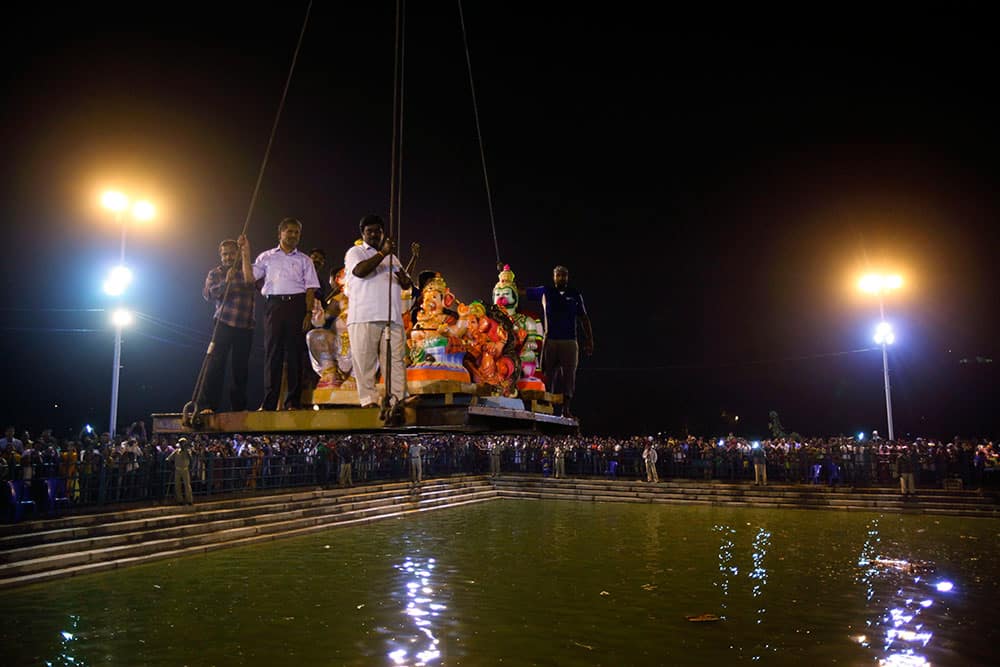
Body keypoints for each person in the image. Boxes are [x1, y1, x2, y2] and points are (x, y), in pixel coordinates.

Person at [240, 218, 320, 410]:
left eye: (297, 233)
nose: (293, 235)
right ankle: (269, 402)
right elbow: (249, 278)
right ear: (280, 233)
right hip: (274, 306)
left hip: (297, 305)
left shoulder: (304, 260)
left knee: (294, 354)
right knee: (272, 353)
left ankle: (293, 401)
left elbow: (310, 289)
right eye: (289, 231)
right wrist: (245, 253)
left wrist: (308, 313)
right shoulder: (266, 257)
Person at [343, 215, 415, 417]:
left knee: (395, 362)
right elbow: (360, 271)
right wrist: (383, 253)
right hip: (364, 315)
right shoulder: (355, 252)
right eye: (370, 231)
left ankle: (397, 399)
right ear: (363, 234)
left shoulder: (393, 258)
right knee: (365, 361)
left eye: (378, 231)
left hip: (391, 317)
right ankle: (368, 400)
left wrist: (404, 280)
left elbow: (407, 283)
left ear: (383, 233)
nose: (374, 234)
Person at [523, 265, 594, 419]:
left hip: (569, 341)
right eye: (558, 275)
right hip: (551, 340)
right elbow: (523, 291)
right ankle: (546, 406)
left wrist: (589, 340)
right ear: (554, 277)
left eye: (564, 275)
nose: (561, 278)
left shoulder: (575, 294)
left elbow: (584, 318)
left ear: (567, 277)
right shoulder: (546, 291)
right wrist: (505, 280)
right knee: (549, 374)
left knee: (569, 376)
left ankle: (566, 409)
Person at [199, 238, 255, 413]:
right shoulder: (215, 273)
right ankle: (207, 406)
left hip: (245, 325)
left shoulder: (247, 269)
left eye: (231, 253)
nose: (228, 257)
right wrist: (226, 282)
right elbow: (208, 294)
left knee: (240, 368)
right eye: (224, 254)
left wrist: (246, 253)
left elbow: (251, 283)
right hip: (223, 322)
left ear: (237, 253)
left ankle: (238, 407)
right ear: (220, 256)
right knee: (215, 365)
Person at [166, 437, 194, 505]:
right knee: (177, 485)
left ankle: (189, 500)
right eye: (181, 443)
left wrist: (188, 451)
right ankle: (180, 500)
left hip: (185, 469)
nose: (182, 444)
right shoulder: (176, 451)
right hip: (177, 469)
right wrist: (172, 466)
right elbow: (168, 459)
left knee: (187, 485)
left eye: (183, 443)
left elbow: (191, 459)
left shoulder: (188, 451)